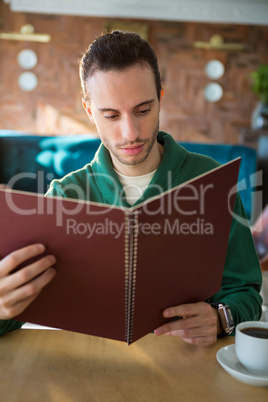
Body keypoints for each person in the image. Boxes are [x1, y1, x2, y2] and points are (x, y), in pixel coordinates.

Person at [0, 31, 263, 345]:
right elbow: (14, 319)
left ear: (160, 99)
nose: (130, 133)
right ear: (89, 112)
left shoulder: (212, 180)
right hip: (86, 372)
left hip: (186, 369)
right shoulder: (63, 195)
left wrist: (221, 318)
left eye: (143, 110)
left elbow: (247, 295)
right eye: (111, 115)